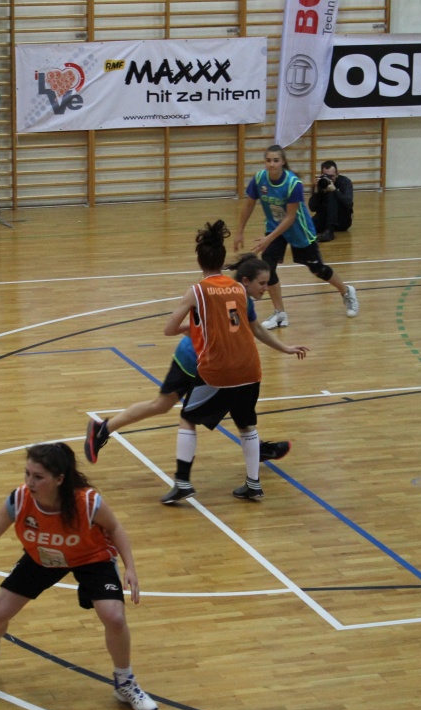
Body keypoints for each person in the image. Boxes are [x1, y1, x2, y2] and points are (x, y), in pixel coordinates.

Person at [0, 442, 158, 710]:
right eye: (27, 473)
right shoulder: (19, 499)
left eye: (38, 477)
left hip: (91, 557)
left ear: (60, 479)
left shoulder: (88, 502)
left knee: (114, 617)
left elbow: (115, 527)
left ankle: (125, 682)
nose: (30, 482)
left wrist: (130, 566)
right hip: (42, 557)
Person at [84, 255, 305, 466]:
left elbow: (256, 329)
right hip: (193, 359)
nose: (266, 288)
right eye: (262, 283)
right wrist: (192, 330)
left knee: (236, 407)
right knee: (165, 405)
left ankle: (257, 449)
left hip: (215, 364)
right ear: (246, 281)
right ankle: (103, 429)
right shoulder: (222, 296)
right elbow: (198, 327)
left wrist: (284, 348)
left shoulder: (243, 299)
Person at [159, 222, 309, 504]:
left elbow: (169, 329)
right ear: (222, 259)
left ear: (200, 261)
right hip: (250, 368)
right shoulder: (240, 289)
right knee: (246, 425)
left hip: (219, 369)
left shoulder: (197, 291)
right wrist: (285, 348)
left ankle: (182, 483)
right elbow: (254, 329)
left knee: (188, 418)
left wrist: (192, 328)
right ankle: (253, 485)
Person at [233, 144, 359, 330]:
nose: (272, 164)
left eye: (276, 160)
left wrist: (268, 239)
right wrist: (239, 231)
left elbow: (290, 217)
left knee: (318, 269)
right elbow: (249, 205)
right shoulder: (259, 179)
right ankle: (280, 313)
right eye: (268, 160)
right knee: (268, 267)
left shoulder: (293, 184)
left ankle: (346, 291)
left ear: (283, 162)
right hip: (275, 227)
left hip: (299, 230)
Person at [307, 159, 354, 241]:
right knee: (307, 228)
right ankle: (327, 230)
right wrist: (316, 191)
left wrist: (335, 190)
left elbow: (349, 203)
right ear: (322, 174)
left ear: (337, 174)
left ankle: (330, 231)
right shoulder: (320, 183)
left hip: (342, 220)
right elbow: (312, 208)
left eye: (331, 176)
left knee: (331, 193)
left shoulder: (345, 182)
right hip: (325, 217)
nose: (329, 179)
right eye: (326, 176)